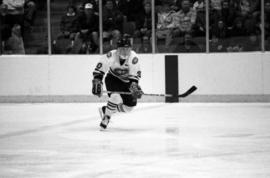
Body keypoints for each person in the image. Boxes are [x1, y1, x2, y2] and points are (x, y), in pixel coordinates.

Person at [92, 36, 143, 130]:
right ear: (117, 49)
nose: (125, 51)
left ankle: (106, 110)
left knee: (129, 107)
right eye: (122, 49)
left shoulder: (134, 58)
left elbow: (134, 78)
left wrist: (134, 87)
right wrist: (97, 81)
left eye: (127, 49)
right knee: (115, 97)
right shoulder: (111, 55)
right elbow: (99, 70)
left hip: (127, 82)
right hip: (113, 79)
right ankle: (106, 117)